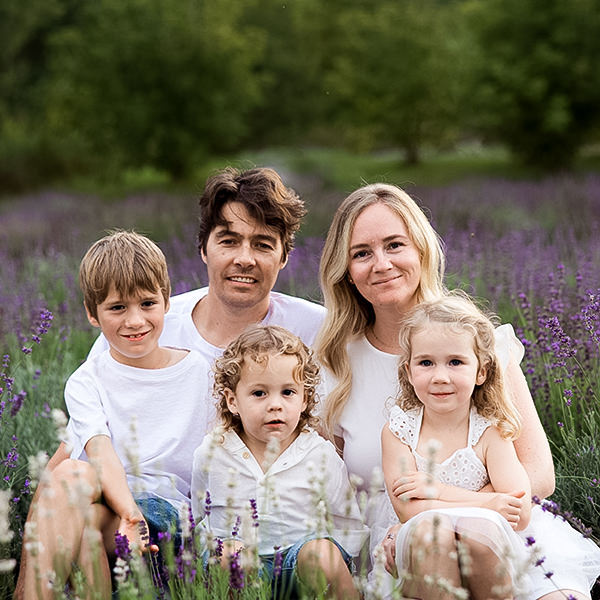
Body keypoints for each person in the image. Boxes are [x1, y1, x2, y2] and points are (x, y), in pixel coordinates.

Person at [15, 166, 326, 597]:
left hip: (197, 522)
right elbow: (77, 446)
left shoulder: (313, 332)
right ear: (203, 248)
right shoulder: (145, 329)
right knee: (70, 485)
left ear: (285, 255)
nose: (244, 258)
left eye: (263, 244)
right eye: (229, 240)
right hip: (120, 511)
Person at [315, 182, 588, 599]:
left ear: (421, 250)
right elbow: (333, 493)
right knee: (429, 546)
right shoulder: (335, 365)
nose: (382, 264)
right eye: (361, 253)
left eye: (395, 245)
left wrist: (452, 506)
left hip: (503, 531)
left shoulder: (480, 346)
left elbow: (539, 476)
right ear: (345, 269)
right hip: (398, 547)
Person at [20, 231, 213, 599]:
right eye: (117, 308)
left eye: (147, 303)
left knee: (88, 522)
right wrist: (128, 513)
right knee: (71, 475)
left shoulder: (199, 372)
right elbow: (100, 452)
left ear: (167, 302)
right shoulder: (87, 380)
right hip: (115, 507)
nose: (135, 320)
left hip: (168, 515)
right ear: (92, 314)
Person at [381, 293, 600, 599]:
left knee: (478, 531)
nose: (440, 376)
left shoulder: (490, 430)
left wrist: (440, 492)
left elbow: (519, 511)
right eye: (425, 362)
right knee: (433, 533)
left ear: (481, 371)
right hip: (427, 548)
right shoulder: (399, 431)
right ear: (408, 371)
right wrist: (487, 502)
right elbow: (408, 509)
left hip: (492, 548)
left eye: (456, 362)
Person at [191, 325, 368, 599]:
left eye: (287, 392)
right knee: (232, 558)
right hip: (242, 565)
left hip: (298, 562)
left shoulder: (318, 454)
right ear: (232, 401)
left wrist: (334, 560)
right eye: (259, 393)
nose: (275, 405)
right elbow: (199, 515)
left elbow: (346, 521)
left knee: (321, 553)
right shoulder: (213, 452)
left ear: (305, 399)